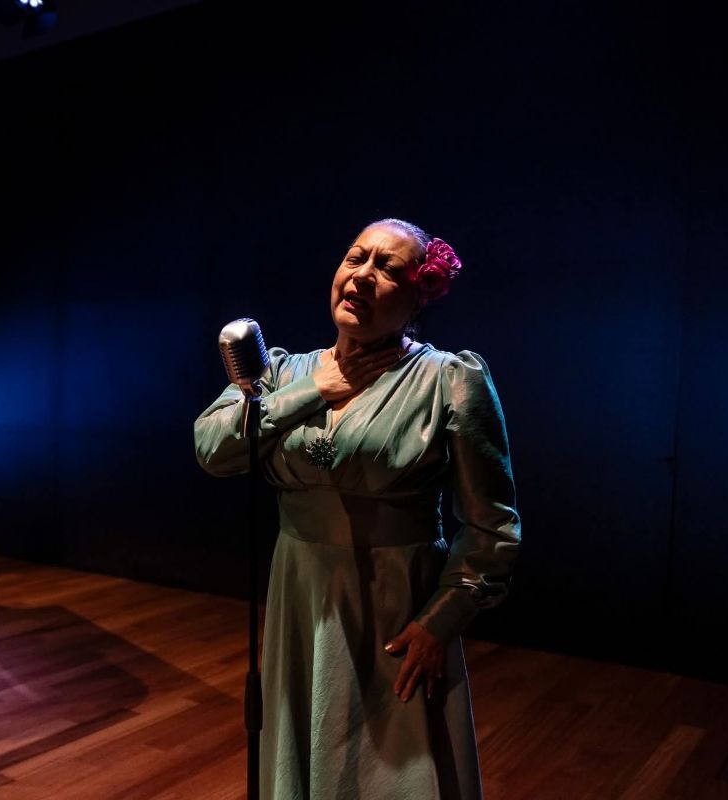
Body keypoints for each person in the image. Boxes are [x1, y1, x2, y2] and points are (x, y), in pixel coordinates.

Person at [194, 219, 520, 799]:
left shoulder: (448, 379)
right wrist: (315, 389)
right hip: (301, 591)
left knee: (390, 766)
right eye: (355, 257)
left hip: (398, 599)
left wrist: (441, 621)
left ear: (419, 295)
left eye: (387, 267)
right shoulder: (282, 371)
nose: (363, 275)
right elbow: (212, 450)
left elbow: (492, 525)